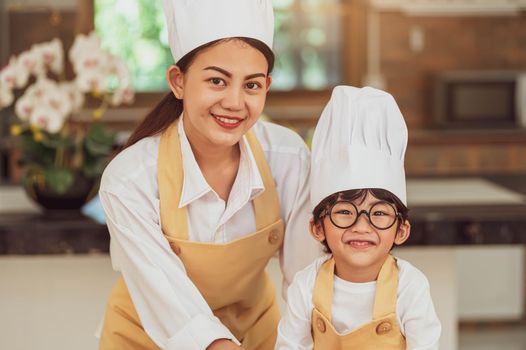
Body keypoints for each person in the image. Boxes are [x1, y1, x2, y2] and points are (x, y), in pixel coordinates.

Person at [97, 1, 321, 349]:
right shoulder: (129, 179)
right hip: (148, 338)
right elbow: (170, 303)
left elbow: (306, 278)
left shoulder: (288, 158)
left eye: (251, 85)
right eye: (217, 80)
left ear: (267, 86)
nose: (234, 102)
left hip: (256, 335)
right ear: (178, 81)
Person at [275, 86, 441, 349]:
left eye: (378, 213)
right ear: (317, 227)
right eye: (344, 212)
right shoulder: (306, 285)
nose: (362, 226)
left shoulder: (409, 286)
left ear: (401, 230)